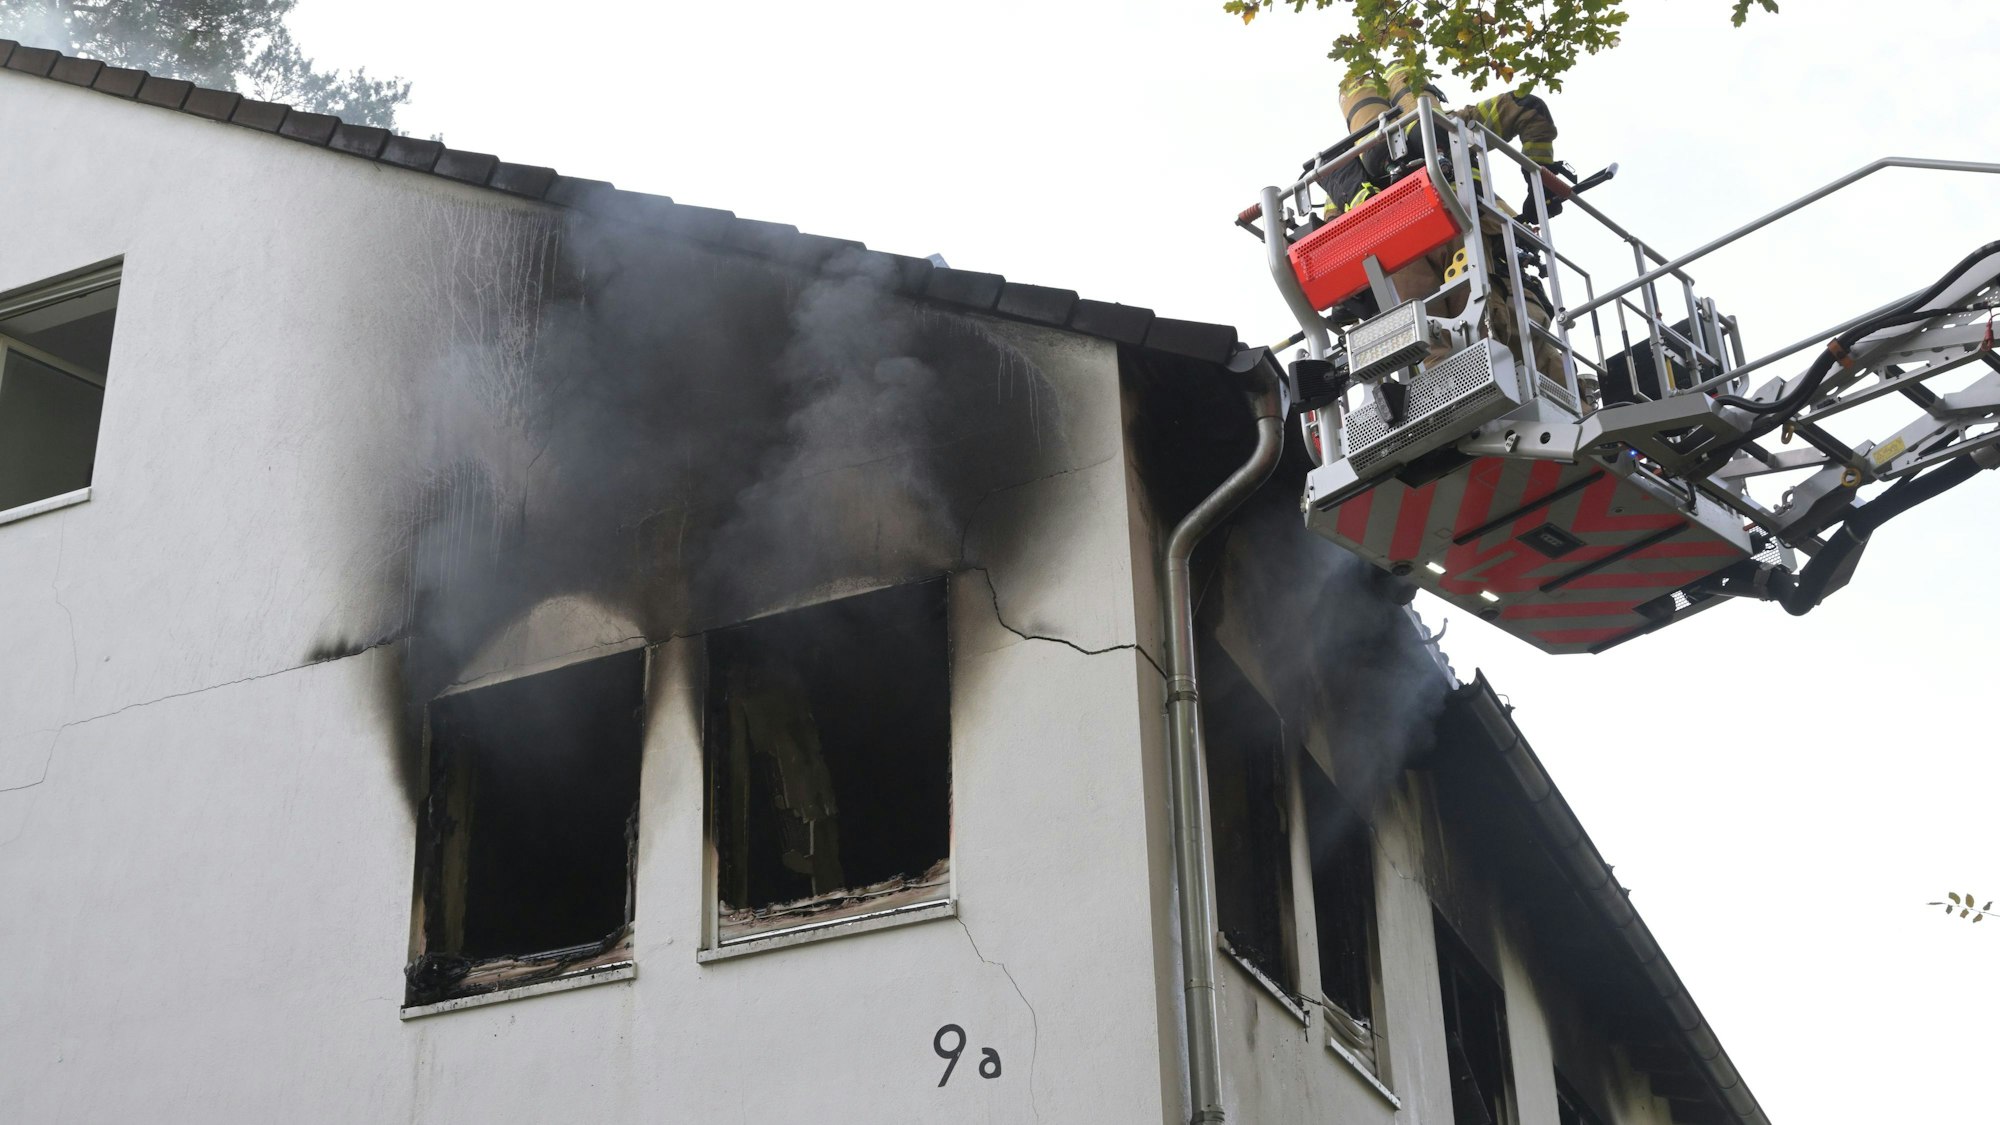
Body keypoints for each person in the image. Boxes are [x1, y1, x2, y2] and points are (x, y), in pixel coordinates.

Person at [1325, 69, 1572, 388]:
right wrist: (1541, 178)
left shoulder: (1344, 173)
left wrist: (1345, 306)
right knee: (1532, 354)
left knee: (1433, 351)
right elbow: (1528, 106)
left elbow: (1331, 245)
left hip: (1407, 274)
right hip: (1489, 259)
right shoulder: (1455, 122)